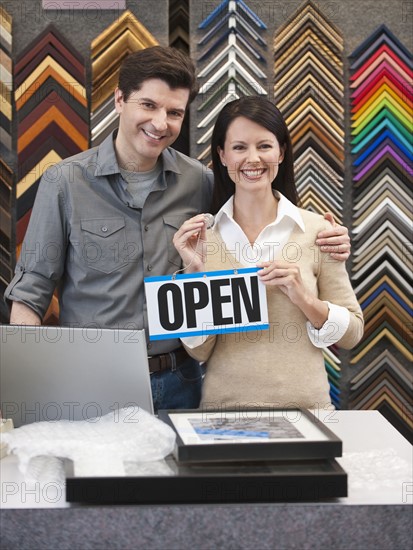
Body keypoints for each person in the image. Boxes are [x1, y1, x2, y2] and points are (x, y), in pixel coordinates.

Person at [5, 47, 352, 412]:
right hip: (92, 380)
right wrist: (22, 387)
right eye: (149, 105)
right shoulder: (64, 182)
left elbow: (257, 222)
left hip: (181, 382)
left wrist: (325, 237)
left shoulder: (200, 183)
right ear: (120, 99)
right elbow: (33, 290)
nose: (160, 123)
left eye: (174, 113)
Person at [173, 96, 364, 410]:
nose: (253, 159)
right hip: (223, 415)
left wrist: (304, 298)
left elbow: (352, 334)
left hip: (308, 412)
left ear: (281, 152)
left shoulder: (318, 230)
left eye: (264, 146)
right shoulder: (201, 239)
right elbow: (199, 352)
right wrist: (193, 274)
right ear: (221, 155)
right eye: (239, 147)